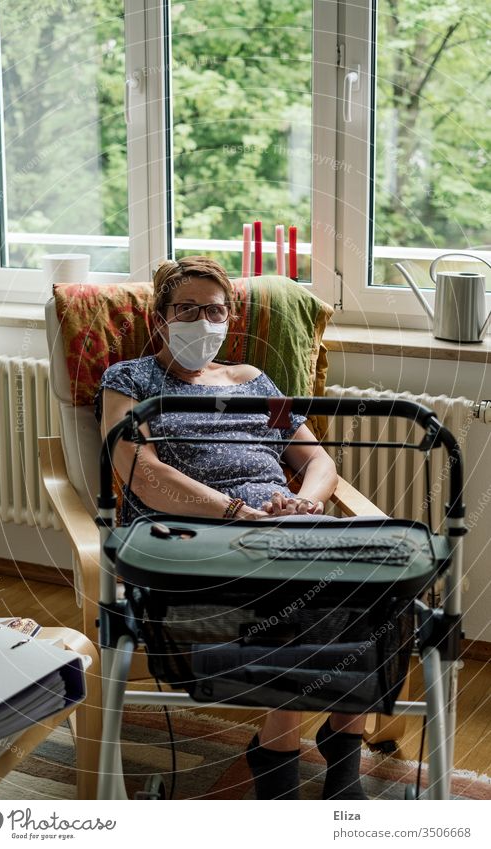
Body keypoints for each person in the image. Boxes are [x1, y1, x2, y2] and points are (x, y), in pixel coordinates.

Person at [96, 256, 368, 800]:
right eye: (188, 309)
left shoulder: (252, 380)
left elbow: (317, 462)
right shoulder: (129, 380)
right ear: (161, 318)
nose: (203, 321)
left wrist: (303, 504)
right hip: (193, 533)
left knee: (372, 586)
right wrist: (237, 514)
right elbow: (142, 473)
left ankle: (342, 747)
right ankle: (281, 757)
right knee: (300, 597)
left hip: (283, 523)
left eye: (214, 310)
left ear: (230, 317)